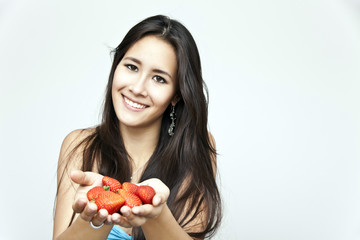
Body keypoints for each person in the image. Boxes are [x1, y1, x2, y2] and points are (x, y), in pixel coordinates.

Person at [53, 15, 222, 240]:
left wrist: (156, 214)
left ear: (177, 95)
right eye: (132, 67)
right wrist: (98, 215)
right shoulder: (79, 145)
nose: (138, 88)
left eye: (159, 79)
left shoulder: (197, 146)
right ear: (116, 67)